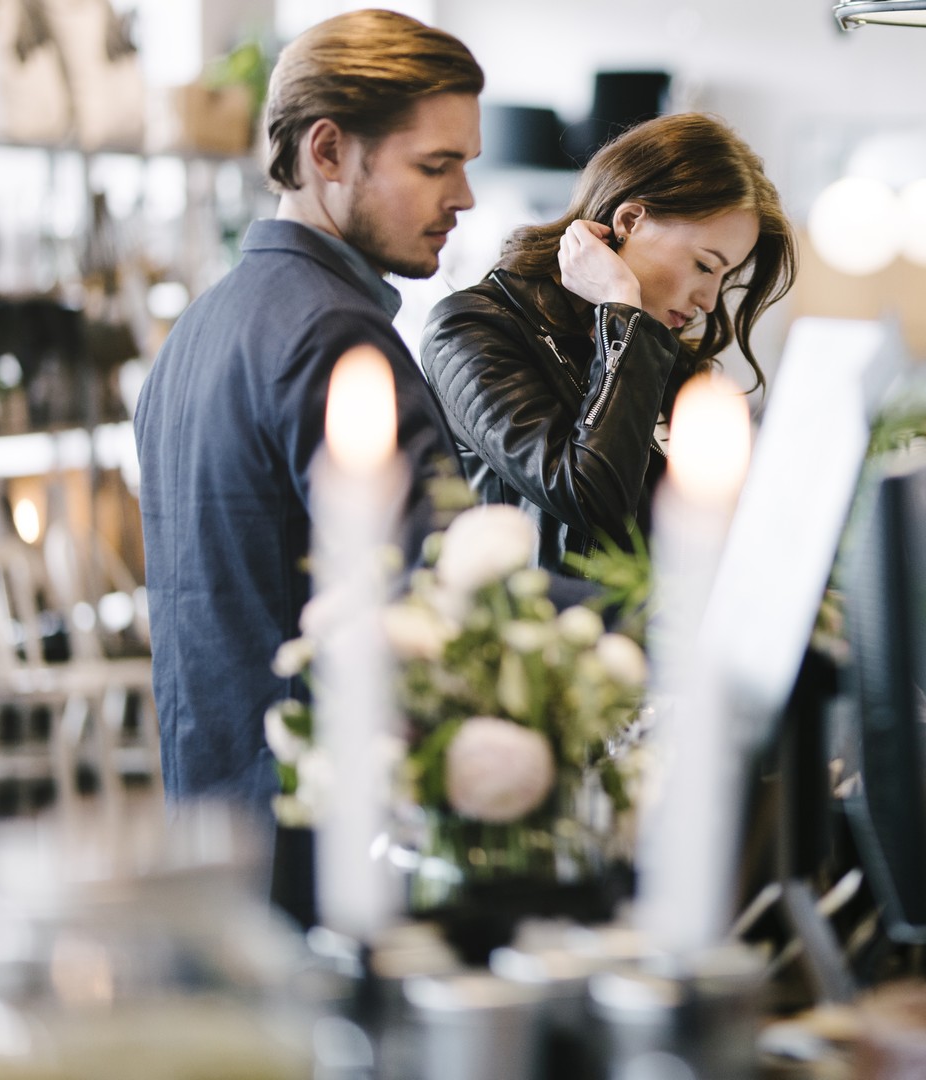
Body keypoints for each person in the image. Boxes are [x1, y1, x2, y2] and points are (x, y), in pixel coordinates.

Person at [134, 9, 481, 903]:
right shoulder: (333, 334)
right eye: (435, 165)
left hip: (218, 827)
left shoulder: (206, 324)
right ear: (328, 151)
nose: (464, 197)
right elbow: (452, 589)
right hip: (323, 842)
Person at [420, 113, 795, 568]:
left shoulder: (654, 344)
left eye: (725, 276)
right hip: (551, 629)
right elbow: (592, 502)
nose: (710, 302)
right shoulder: (472, 329)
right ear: (631, 221)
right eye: (704, 265)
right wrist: (622, 308)